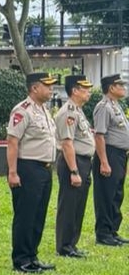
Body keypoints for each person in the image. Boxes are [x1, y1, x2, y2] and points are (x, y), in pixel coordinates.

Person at [6, 72, 58, 273]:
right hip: (27, 168)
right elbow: (12, 142)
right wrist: (12, 172)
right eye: (48, 86)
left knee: (38, 215)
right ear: (35, 88)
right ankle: (21, 260)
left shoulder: (44, 110)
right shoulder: (22, 110)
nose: (51, 89)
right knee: (26, 215)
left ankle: (32, 255)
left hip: (44, 169)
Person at [54, 75, 94, 258]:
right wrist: (74, 171)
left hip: (83, 161)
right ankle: (64, 245)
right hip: (74, 162)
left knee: (78, 205)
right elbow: (67, 144)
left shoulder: (78, 111)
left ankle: (72, 243)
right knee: (69, 205)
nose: (89, 92)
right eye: (85, 89)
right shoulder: (68, 112)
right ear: (75, 91)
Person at [92, 74, 129, 246]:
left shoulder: (116, 106)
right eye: (120, 85)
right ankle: (103, 233)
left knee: (116, 193)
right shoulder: (103, 107)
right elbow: (99, 136)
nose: (124, 88)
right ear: (111, 88)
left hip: (120, 155)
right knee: (106, 194)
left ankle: (112, 230)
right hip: (109, 153)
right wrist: (104, 162)